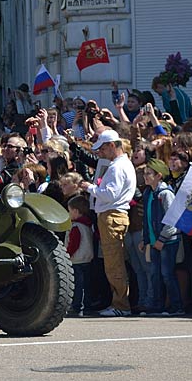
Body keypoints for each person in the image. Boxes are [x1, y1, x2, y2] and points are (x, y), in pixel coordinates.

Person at [80, 129, 137, 317]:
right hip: (112, 215)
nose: (100, 153)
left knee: (114, 264)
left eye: (103, 149)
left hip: (112, 215)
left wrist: (90, 187)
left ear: (112, 145)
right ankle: (119, 302)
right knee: (113, 263)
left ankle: (121, 305)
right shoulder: (121, 165)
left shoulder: (117, 167)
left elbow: (109, 194)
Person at [139, 158, 184, 315]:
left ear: (159, 175)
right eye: (144, 173)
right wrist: (145, 239)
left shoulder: (165, 193)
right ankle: (157, 306)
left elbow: (172, 220)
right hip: (154, 241)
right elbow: (147, 218)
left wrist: (161, 239)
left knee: (167, 275)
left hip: (167, 242)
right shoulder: (148, 193)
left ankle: (176, 306)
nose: (145, 176)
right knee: (155, 275)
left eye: (149, 173)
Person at [65, 195, 95, 317]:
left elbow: (74, 244)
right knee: (87, 285)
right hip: (87, 259)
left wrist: (67, 255)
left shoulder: (76, 226)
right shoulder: (88, 225)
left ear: (76, 211)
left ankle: (77, 306)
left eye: (69, 210)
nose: (68, 213)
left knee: (78, 286)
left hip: (77, 260)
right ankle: (87, 305)